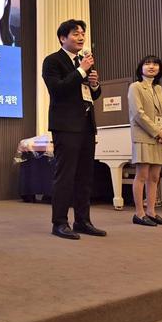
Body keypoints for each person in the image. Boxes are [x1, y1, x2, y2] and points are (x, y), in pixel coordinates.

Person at [42, 19, 105, 240]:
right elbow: (57, 89)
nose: (81, 37)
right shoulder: (52, 61)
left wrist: (95, 84)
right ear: (62, 38)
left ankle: (82, 221)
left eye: (82, 34)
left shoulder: (83, 62)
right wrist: (81, 71)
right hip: (66, 125)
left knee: (85, 176)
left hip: (86, 124)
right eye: (75, 34)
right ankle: (59, 222)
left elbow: (93, 95)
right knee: (65, 175)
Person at [128, 55, 162, 226]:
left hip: (159, 137)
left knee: (154, 177)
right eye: (147, 64)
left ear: (159, 69)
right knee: (142, 175)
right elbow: (138, 114)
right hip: (143, 135)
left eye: (155, 64)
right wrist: (157, 131)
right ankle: (139, 214)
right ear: (141, 68)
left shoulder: (158, 89)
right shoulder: (135, 87)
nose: (152, 66)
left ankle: (151, 212)